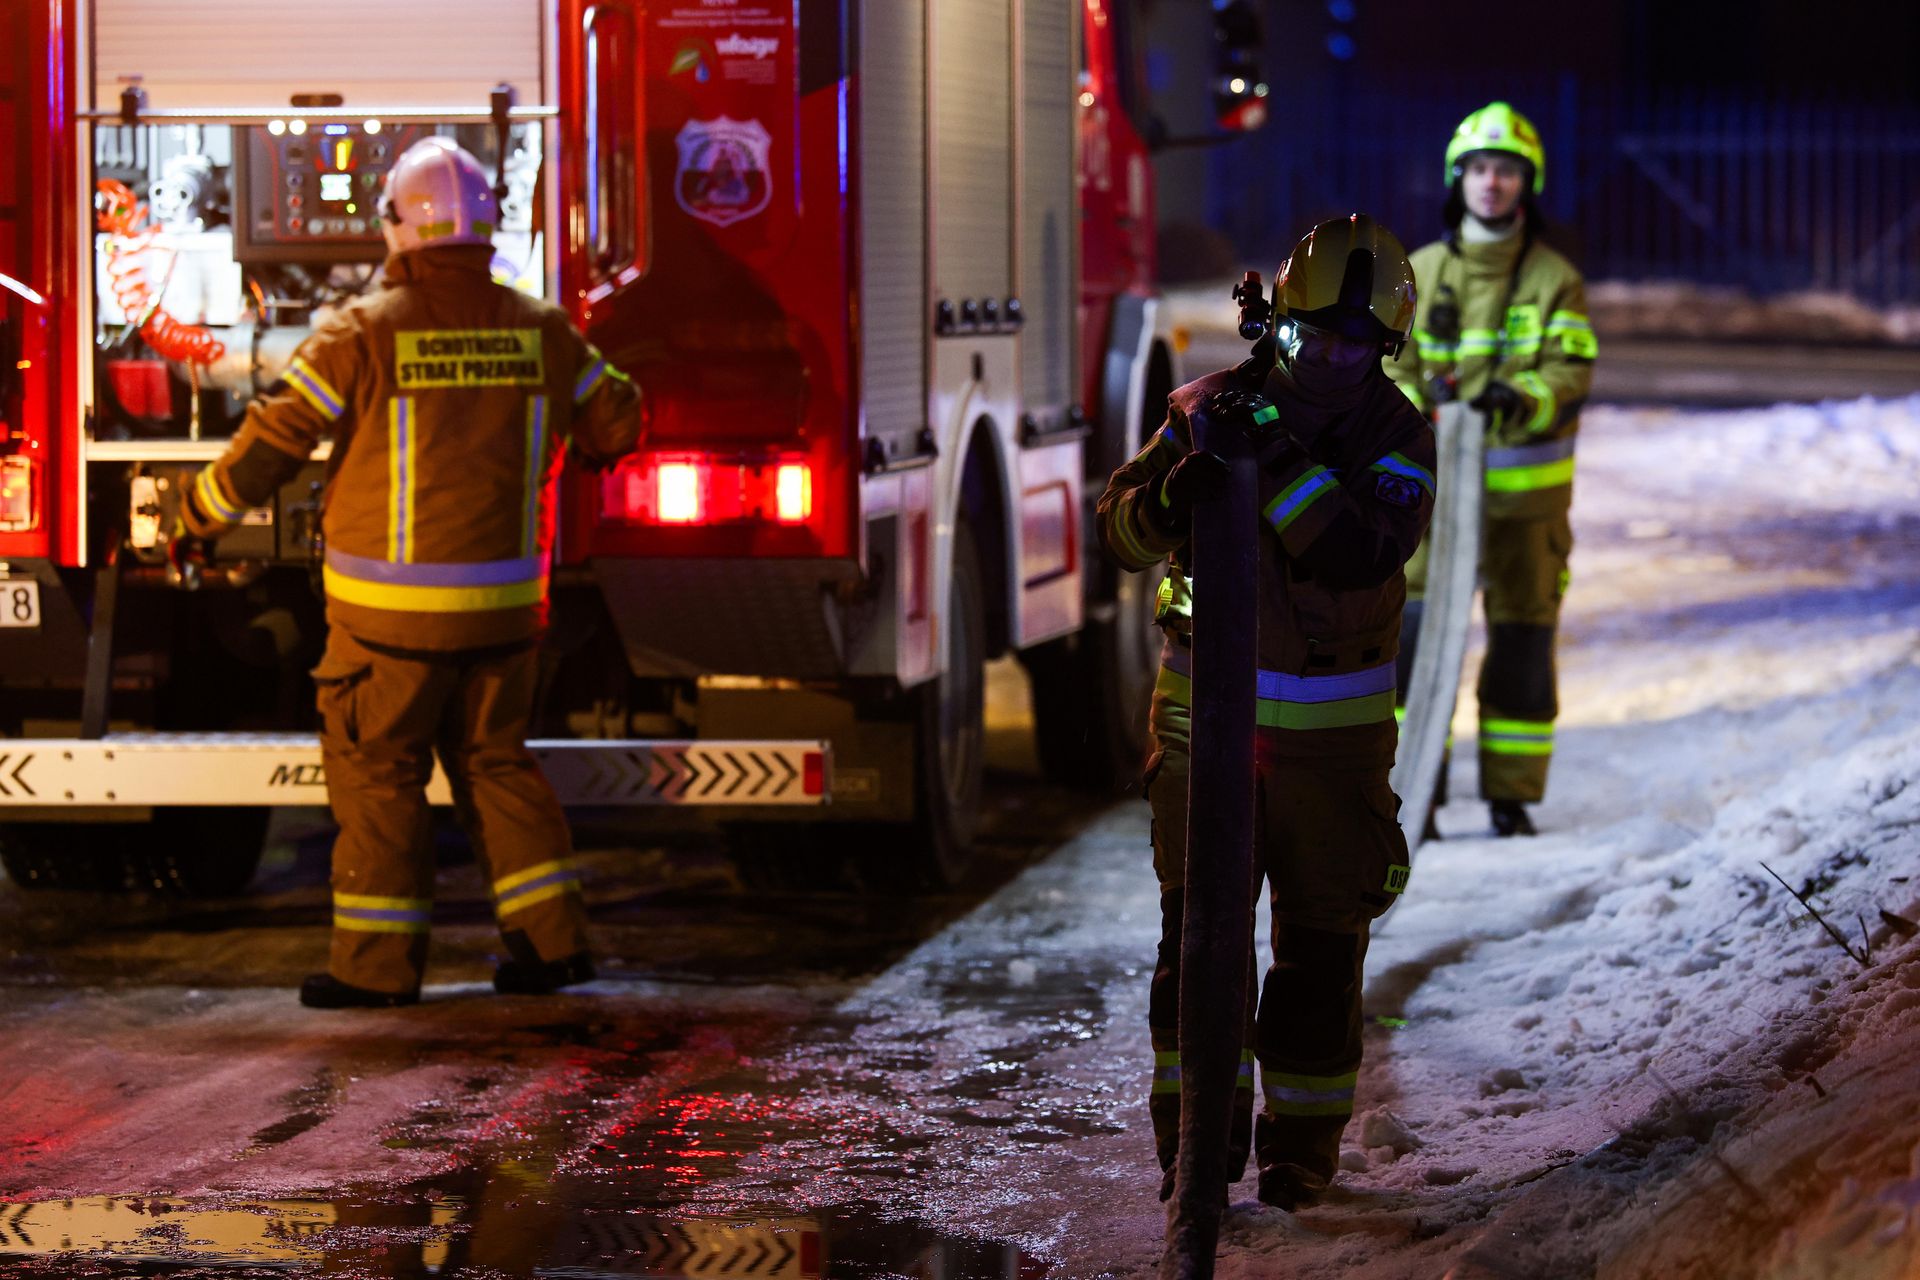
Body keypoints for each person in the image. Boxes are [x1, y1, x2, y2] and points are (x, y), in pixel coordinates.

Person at [177, 138, 644, 1008]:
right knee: (497, 765)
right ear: (486, 227)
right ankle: (554, 948)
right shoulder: (542, 329)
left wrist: (196, 513)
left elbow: (277, 440)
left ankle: (375, 971)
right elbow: (617, 422)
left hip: (385, 624)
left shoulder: (362, 332)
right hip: (507, 614)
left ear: (397, 227)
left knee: (379, 776)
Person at [1099, 214, 1433, 1210]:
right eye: (1308, 336)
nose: (1328, 359)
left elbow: (1356, 551)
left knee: (1320, 957)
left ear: (1386, 347)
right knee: (1196, 950)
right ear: (1276, 320)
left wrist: (1271, 455)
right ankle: (1193, 1152)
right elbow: (1118, 532)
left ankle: (1301, 1158)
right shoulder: (1202, 410)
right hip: (1203, 734)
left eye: (1353, 345)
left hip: (1334, 755)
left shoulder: (1398, 436)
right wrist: (1173, 498)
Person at [1385, 101, 1597, 838]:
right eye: (1478, 168)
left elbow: (1571, 371)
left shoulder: (1554, 280)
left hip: (1523, 514)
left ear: (1525, 183)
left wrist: (1524, 396)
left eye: (1506, 170)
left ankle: (1511, 797)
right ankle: (1416, 792)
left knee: (1522, 647)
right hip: (1430, 509)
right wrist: (1416, 408)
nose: (1491, 182)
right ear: (1459, 178)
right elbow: (1389, 368)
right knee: (1416, 648)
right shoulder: (1421, 272)